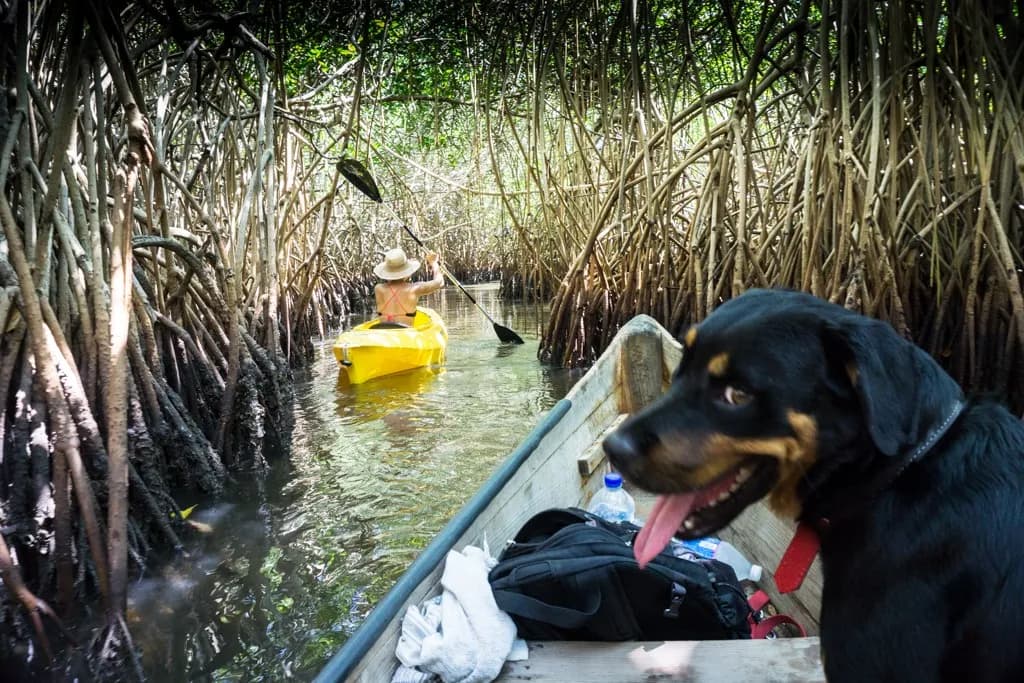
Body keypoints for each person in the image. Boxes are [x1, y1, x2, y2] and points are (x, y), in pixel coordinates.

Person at [373, 247, 444, 325]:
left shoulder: (378, 289)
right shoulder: (415, 289)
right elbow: (440, 282)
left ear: (387, 271)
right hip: (405, 330)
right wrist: (434, 263)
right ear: (406, 272)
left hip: (383, 330)